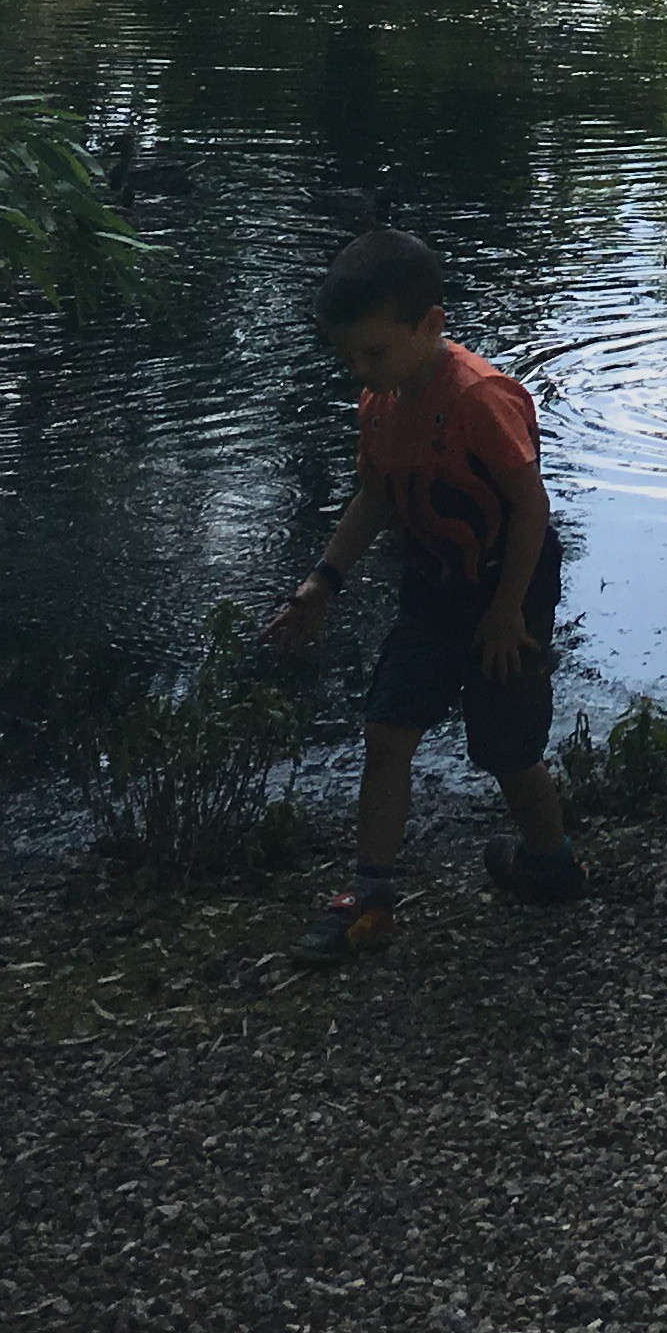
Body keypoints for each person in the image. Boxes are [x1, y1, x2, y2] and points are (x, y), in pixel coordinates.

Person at [263, 221, 584, 955]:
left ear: (430, 325)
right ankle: (368, 891)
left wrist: (507, 614)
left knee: (507, 750)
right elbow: (375, 497)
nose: (361, 371)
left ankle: (550, 863)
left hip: (508, 594)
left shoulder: (479, 398)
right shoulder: (381, 401)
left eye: (373, 351)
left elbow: (532, 508)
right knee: (387, 729)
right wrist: (323, 582)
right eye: (349, 357)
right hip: (433, 592)